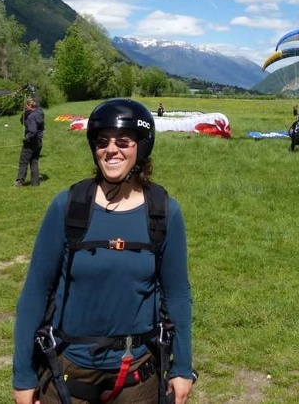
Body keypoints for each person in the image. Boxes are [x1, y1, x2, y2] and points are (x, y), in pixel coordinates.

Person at [12, 98, 194, 404]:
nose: (111, 150)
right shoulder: (68, 207)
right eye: (102, 142)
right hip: (68, 369)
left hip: (139, 371)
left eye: (123, 141)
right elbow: (35, 292)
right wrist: (23, 376)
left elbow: (177, 294)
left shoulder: (162, 212)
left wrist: (183, 367)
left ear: (142, 146)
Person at [15, 97, 45, 187]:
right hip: (39, 142)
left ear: (30, 105)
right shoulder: (40, 112)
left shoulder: (31, 117)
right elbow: (23, 120)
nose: (25, 107)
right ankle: (35, 183)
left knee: (23, 161)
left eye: (26, 105)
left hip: (31, 142)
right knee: (34, 161)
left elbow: (32, 131)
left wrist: (26, 138)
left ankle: (20, 181)